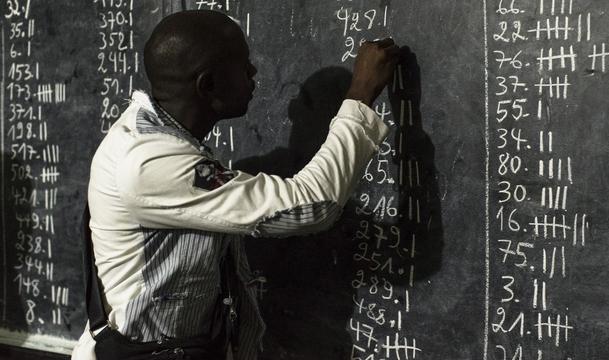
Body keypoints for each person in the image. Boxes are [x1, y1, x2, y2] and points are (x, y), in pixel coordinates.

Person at [72, 9, 399, 360]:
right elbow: (311, 206)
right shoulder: (151, 162)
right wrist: (361, 95)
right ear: (207, 85)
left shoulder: (153, 136)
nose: (253, 71)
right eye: (241, 63)